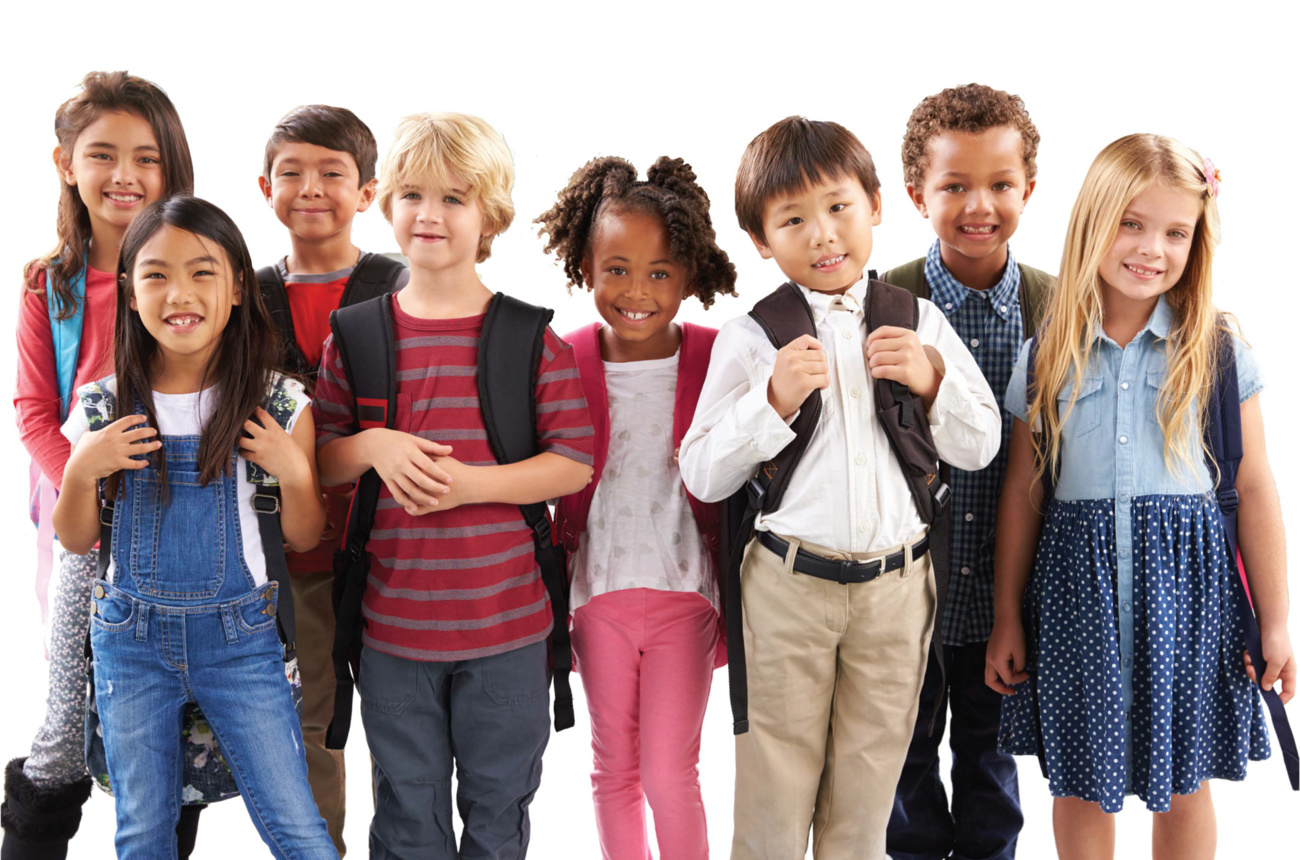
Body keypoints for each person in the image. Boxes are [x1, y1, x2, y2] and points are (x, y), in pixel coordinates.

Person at [679, 115, 1002, 859]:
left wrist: (932, 378)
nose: (823, 235)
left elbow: (979, 443)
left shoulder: (918, 320)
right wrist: (770, 404)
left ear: (877, 205)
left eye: (838, 207)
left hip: (897, 589)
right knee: (773, 800)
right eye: (793, 220)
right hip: (787, 587)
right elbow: (701, 471)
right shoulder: (754, 336)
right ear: (762, 241)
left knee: (864, 803)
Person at [985, 133, 1295, 860]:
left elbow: (1254, 488)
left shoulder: (1216, 351)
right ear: (1092, 221)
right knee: (1080, 785)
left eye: (1175, 232)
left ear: (1197, 242)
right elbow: (1024, 493)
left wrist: (1278, 620)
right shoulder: (1046, 353)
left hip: (1188, 604)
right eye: (1132, 223)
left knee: (1184, 785)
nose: (1151, 247)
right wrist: (1006, 614)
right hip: (1073, 600)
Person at [311, 112, 594, 859]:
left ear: (491, 214)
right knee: (408, 815)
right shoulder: (357, 335)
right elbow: (323, 461)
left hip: (507, 631)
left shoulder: (530, 338)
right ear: (386, 204)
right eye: (410, 194)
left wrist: (472, 485)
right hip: (391, 633)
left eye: (454, 198)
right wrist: (372, 444)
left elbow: (571, 462)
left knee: (498, 813)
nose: (428, 214)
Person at [50, 195, 336, 859]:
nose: (179, 292)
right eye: (155, 274)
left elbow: (302, 535)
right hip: (130, 643)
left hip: (242, 641)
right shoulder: (102, 404)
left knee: (296, 829)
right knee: (143, 835)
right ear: (129, 292)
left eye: (202, 271)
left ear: (237, 287)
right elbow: (74, 538)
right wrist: (79, 473)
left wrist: (294, 473)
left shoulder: (277, 401)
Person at [5, 70, 197, 860]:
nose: (125, 176)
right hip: (81, 532)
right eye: (103, 155)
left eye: (146, 158)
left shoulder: (200, 273)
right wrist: (86, 479)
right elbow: (32, 413)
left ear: (171, 169)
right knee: (67, 708)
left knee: (168, 720)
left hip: (181, 532)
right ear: (65, 164)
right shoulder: (51, 287)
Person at [537, 155, 737, 859]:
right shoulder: (565, 356)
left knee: (668, 771)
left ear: (690, 276)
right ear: (584, 266)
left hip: (686, 593)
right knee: (612, 770)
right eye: (616, 268)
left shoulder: (720, 356)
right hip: (596, 597)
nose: (637, 290)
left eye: (660, 273)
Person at [883, 83, 1054, 860]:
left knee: (991, 771)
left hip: (1008, 602)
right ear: (919, 194)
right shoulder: (885, 302)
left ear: (1029, 188)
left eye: (1000, 185)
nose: (978, 204)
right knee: (903, 775)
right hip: (904, 600)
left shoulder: (1059, 308)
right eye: (954, 186)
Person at [257, 103, 408, 856]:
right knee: (312, 722)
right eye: (292, 173)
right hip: (295, 557)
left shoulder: (401, 286)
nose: (310, 188)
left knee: (404, 724)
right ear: (264, 188)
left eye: (333, 173)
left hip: (395, 550)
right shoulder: (245, 298)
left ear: (369, 191)